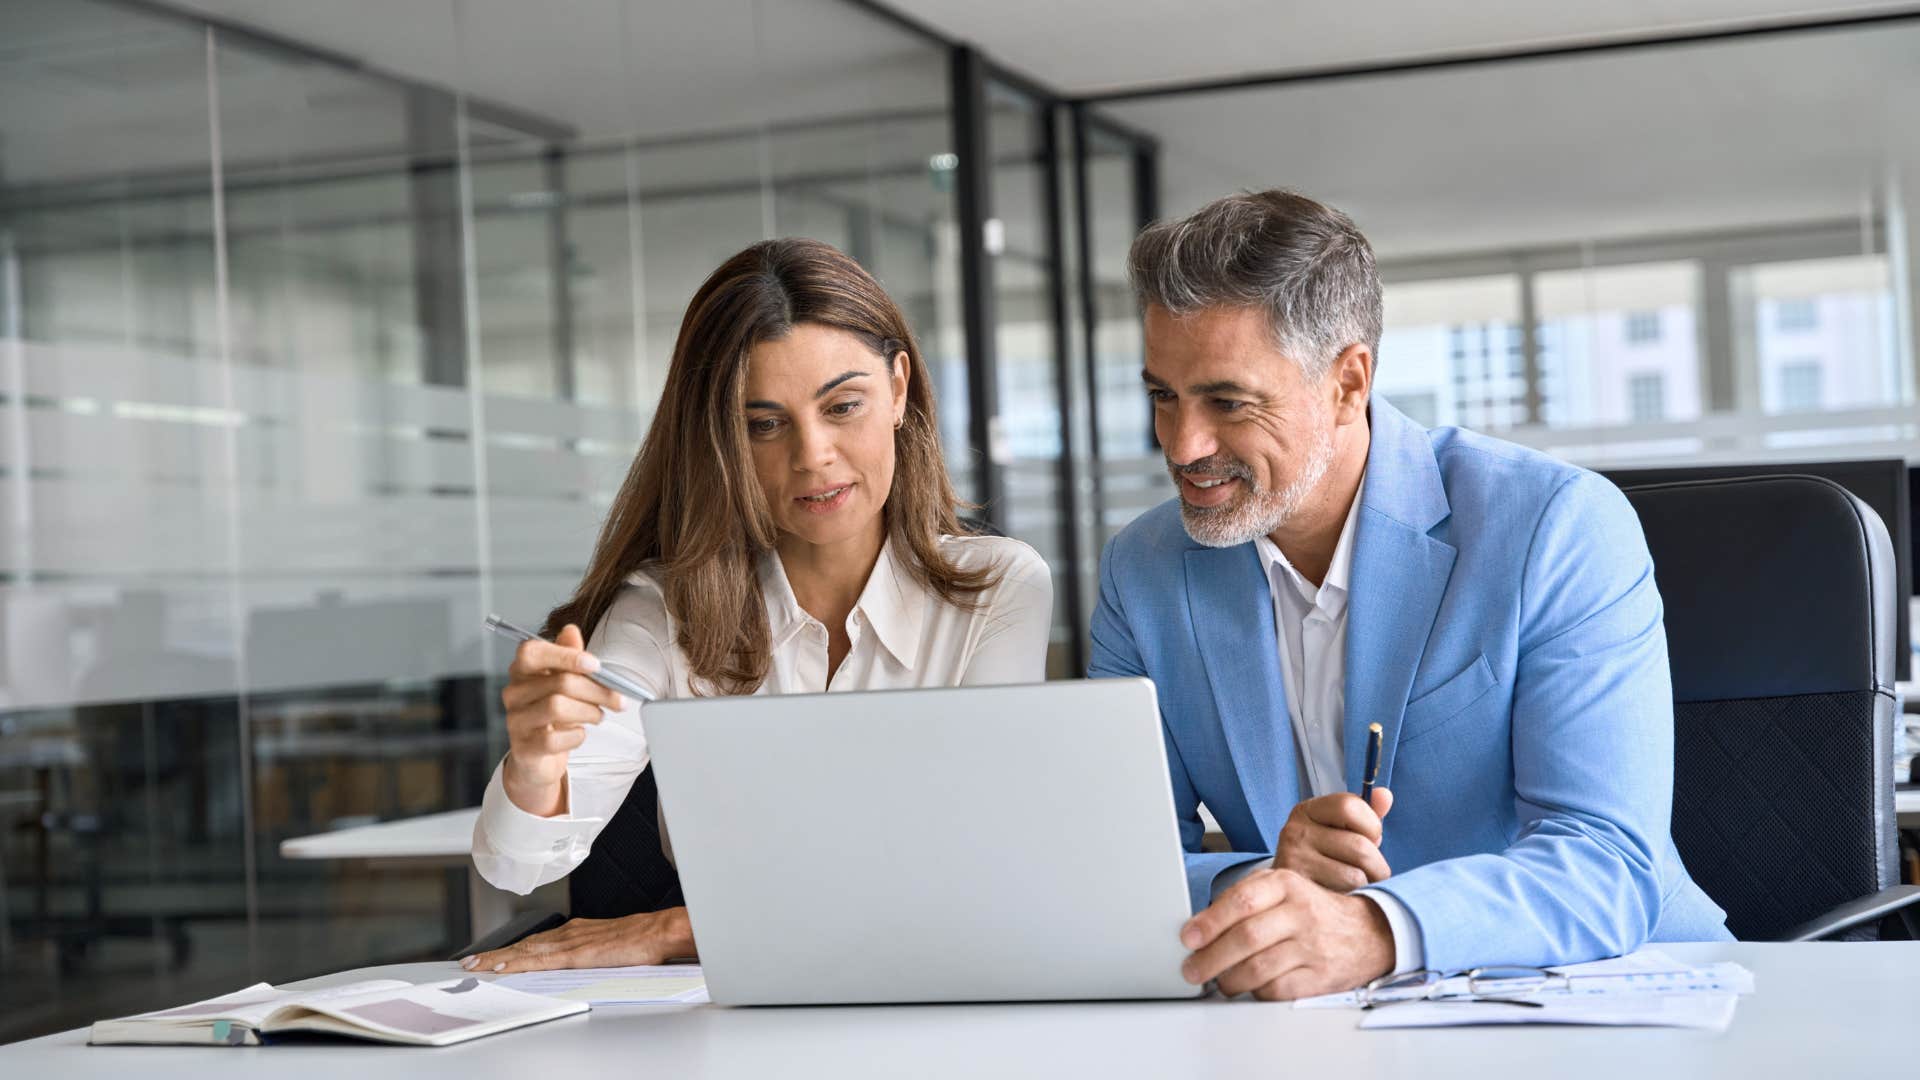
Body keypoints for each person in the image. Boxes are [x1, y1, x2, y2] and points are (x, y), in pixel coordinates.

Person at [1092, 189, 1731, 1002]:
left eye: (1228, 401)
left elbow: (1606, 860)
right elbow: (1118, 870)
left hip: (1601, 998)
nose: (1184, 446)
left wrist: (1374, 928)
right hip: (1305, 1027)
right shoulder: (1143, 570)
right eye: (1163, 397)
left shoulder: (1555, 526)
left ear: (1348, 383)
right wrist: (1266, 888)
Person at [463, 238, 1052, 973]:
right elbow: (516, 866)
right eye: (763, 424)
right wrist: (534, 764)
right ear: (721, 438)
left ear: (899, 389)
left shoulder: (999, 590)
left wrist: (678, 930)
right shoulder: (665, 608)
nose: (813, 456)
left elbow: (970, 873)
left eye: (842, 406)